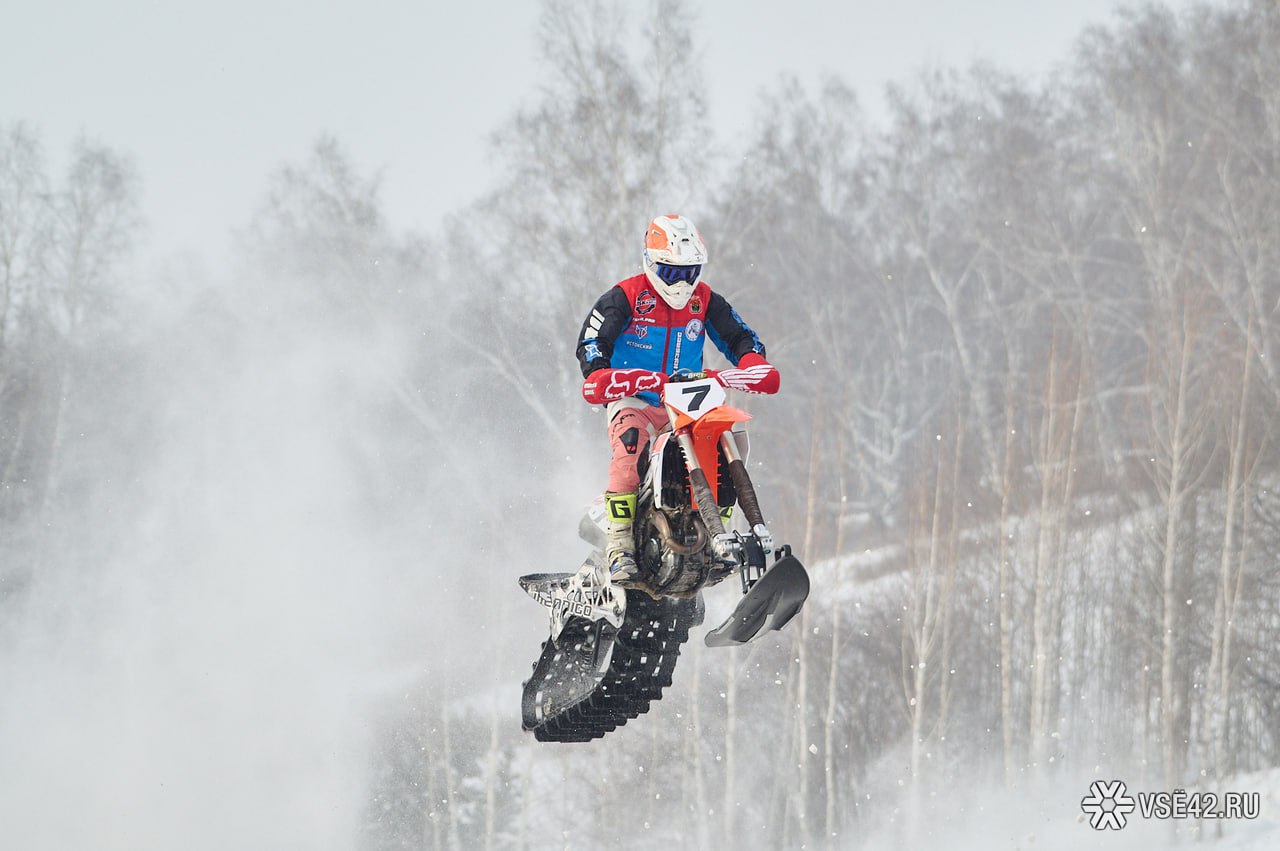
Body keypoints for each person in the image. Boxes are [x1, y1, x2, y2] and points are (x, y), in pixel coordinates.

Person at [575, 214, 780, 582]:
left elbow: (739, 336)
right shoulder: (625, 296)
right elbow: (592, 341)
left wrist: (752, 363)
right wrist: (600, 372)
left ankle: (720, 525)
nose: (682, 282)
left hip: (687, 396)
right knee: (629, 445)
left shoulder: (704, 300)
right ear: (652, 264)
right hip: (634, 395)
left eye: (690, 271)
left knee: (728, 434)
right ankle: (619, 543)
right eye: (672, 273)